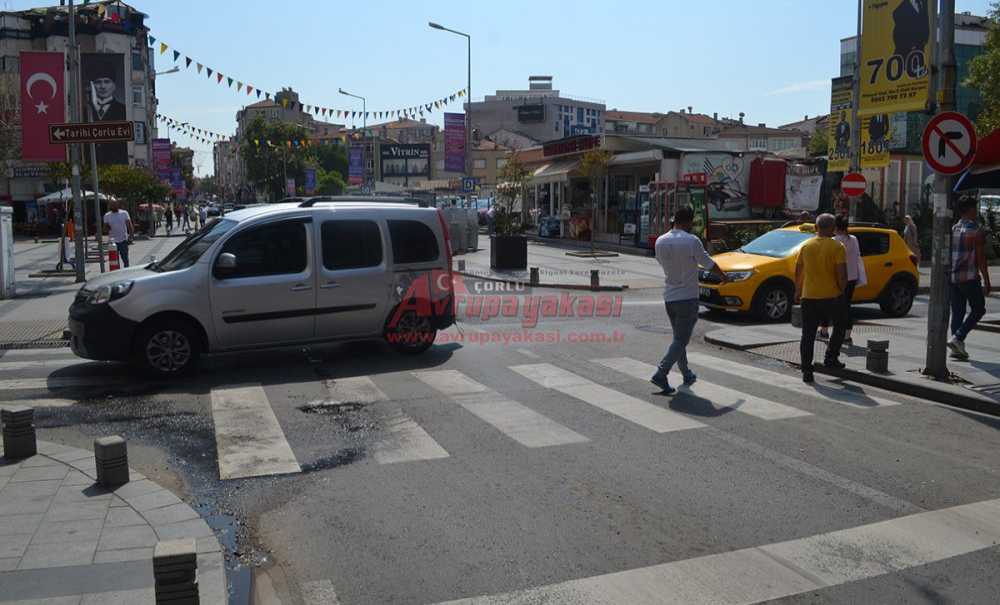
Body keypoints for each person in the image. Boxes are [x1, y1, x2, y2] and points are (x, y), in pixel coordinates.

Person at [650, 206, 727, 395]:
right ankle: (661, 373)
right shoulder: (692, 241)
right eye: (692, 222)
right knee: (681, 339)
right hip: (688, 298)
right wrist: (724, 277)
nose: (693, 225)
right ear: (687, 222)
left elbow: (663, 263)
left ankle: (686, 374)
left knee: (679, 339)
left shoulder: (660, 241)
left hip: (670, 297)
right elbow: (708, 263)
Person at [795, 213, 848, 383]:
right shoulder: (838, 247)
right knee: (840, 326)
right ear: (833, 230)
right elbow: (842, 275)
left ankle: (807, 371)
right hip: (832, 296)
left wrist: (797, 291)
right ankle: (831, 358)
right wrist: (842, 290)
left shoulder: (805, 246)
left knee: (808, 334)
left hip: (808, 296)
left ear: (816, 228)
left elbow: (798, 271)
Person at [947, 197, 991, 361]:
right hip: (969, 277)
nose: (977, 211)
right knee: (979, 309)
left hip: (954, 278)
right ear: (971, 210)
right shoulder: (976, 231)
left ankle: (956, 349)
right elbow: (981, 259)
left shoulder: (953, 228)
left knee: (957, 312)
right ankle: (958, 337)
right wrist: (987, 281)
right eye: (975, 208)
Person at [819, 215, 867, 345]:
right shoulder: (853, 239)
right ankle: (847, 335)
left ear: (835, 227)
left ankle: (824, 331)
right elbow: (857, 256)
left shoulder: (833, 241)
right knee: (846, 306)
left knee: (827, 305)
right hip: (851, 277)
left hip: (835, 277)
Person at [103, 200, 134, 268]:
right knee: (114, 261)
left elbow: (129, 225)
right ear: (110, 206)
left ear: (117, 205)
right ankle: (117, 273)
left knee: (125, 259)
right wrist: (107, 227)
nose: (113, 206)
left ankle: (127, 272)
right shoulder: (107, 215)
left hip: (123, 240)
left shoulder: (124, 213)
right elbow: (104, 229)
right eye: (112, 205)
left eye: (115, 204)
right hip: (112, 242)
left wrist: (131, 237)